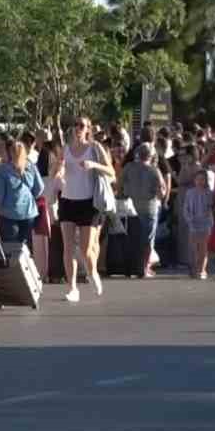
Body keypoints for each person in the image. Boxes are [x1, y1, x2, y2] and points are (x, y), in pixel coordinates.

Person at [57, 117, 115, 303]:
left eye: (82, 125)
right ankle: (72, 288)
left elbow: (112, 172)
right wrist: (58, 171)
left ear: (88, 129)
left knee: (85, 249)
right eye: (75, 125)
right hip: (67, 200)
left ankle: (93, 272)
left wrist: (93, 165)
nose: (78, 128)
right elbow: (56, 171)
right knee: (68, 248)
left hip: (89, 202)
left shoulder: (95, 147)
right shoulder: (65, 148)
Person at [121, 143, 168, 279]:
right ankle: (144, 268)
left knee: (133, 239)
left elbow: (119, 183)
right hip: (149, 208)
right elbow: (161, 193)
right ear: (151, 155)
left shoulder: (128, 167)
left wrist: (126, 191)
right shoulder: (154, 170)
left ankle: (132, 267)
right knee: (148, 240)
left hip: (131, 208)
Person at [0, 140, 45, 255]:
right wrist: (30, 197)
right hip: (29, 212)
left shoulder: (2, 170)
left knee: (11, 249)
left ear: (9, 152)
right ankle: (26, 270)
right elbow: (40, 188)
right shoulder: (30, 166)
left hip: (8, 214)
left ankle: (15, 273)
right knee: (24, 248)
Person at [181, 170, 215, 279]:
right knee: (194, 248)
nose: (200, 182)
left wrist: (210, 214)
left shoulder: (209, 193)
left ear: (206, 181)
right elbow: (185, 208)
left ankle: (202, 270)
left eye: (202, 179)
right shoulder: (190, 192)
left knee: (203, 247)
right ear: (194, 180)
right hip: (193, 222)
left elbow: (212, 207)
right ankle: (195, 268)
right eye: (198, 179)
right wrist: (189, 219)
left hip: (205, 223)